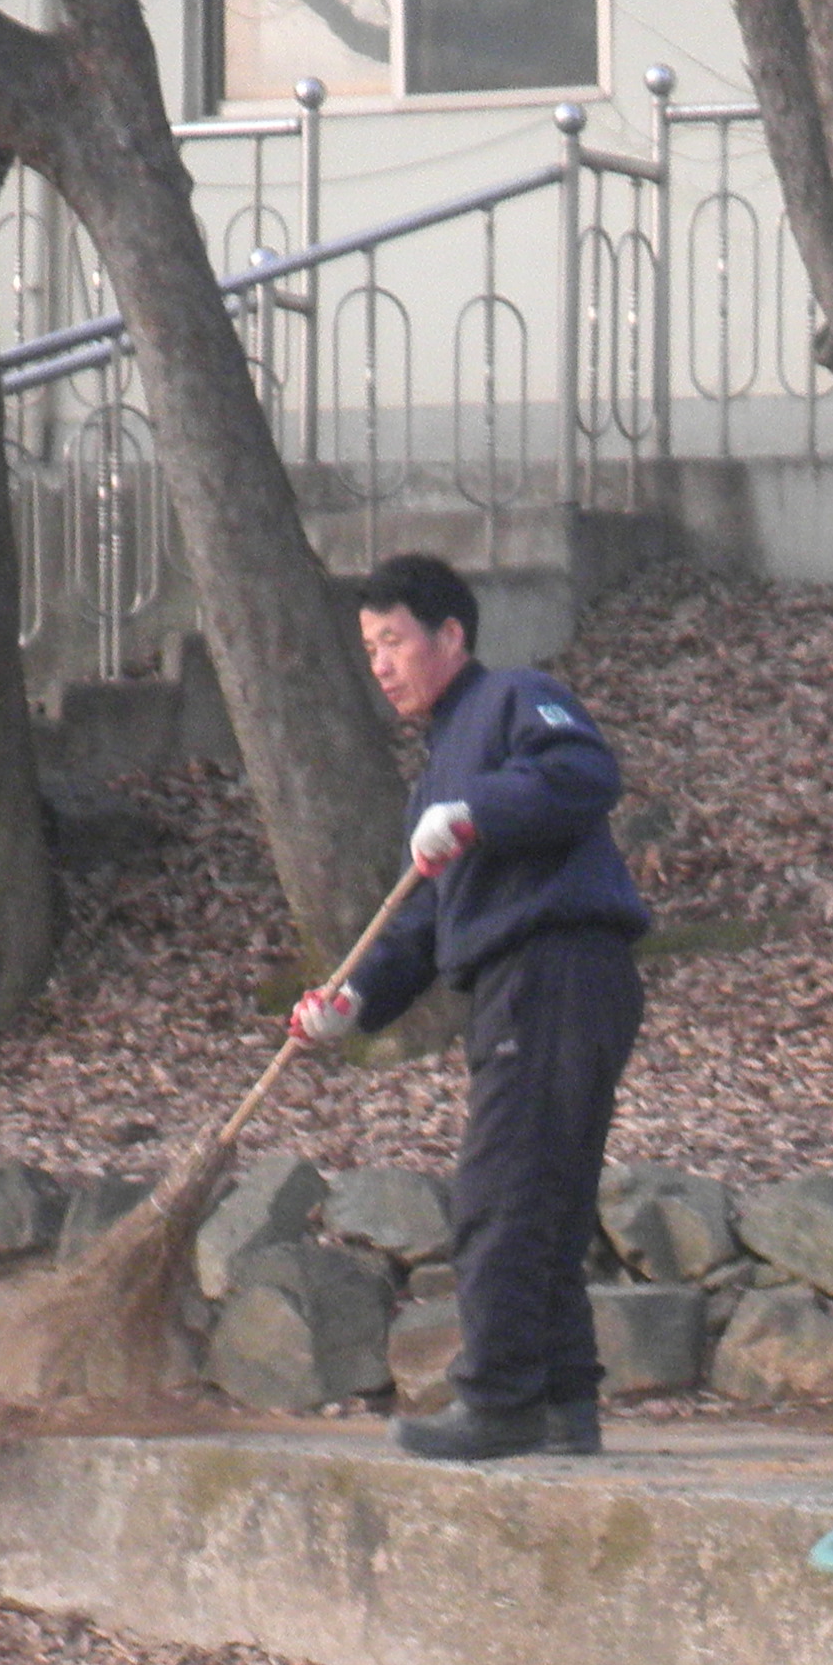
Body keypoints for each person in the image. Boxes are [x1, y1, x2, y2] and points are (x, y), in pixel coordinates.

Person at [290, 553, 652, 1462]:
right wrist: (354, 1001)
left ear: (451, 635)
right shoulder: (433, 773)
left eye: (394, 641)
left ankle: (497, 1401)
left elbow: (582, 772)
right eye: (369, 647)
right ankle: (566, 1402)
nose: (380, 664)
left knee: (501, 1191)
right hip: (513, 984)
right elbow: (418, 919)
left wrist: (480, 810)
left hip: (557, 968)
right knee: (550, 1197)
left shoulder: (515, 701)